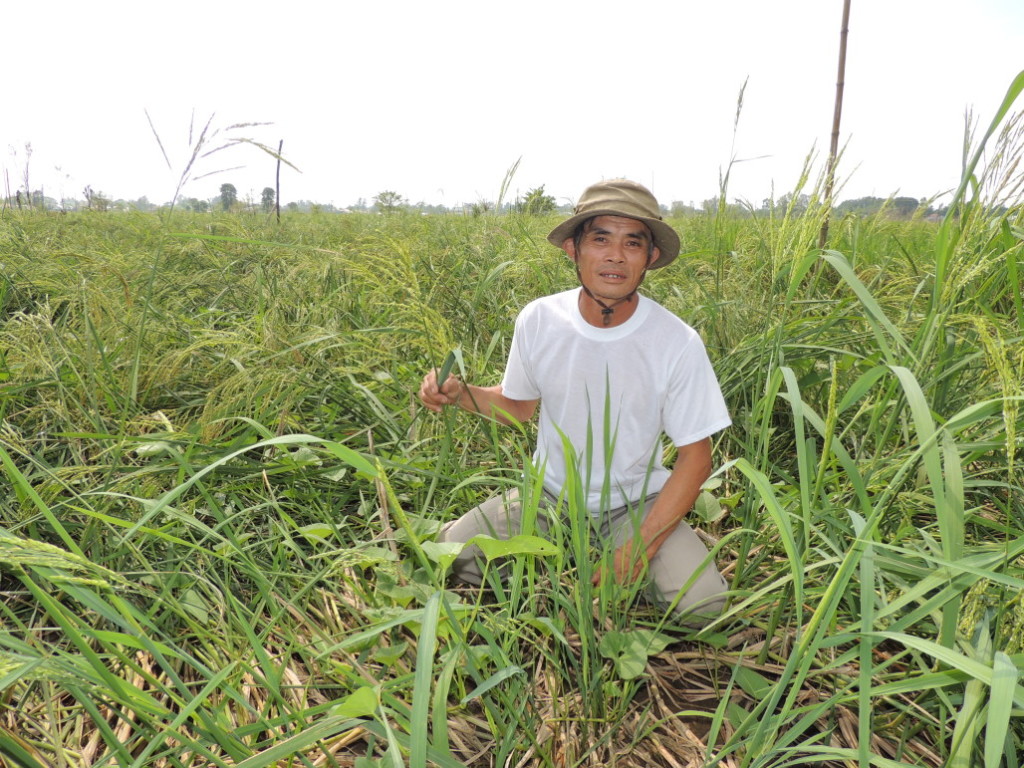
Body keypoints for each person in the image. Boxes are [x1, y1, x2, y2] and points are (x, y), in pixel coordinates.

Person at [418, 179, 731, 624]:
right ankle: (557, 549)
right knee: (450, 559)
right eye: (600, 239)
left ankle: (649, 546)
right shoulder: (541, 319)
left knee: (703, 609)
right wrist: (461, 394)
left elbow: (696, 458)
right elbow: (518, 407)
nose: (615, 255)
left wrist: (638, 548)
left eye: (632, 243)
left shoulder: (675, 342)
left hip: (635, 503)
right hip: (550, 496)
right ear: (573, 248)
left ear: (650, 258)